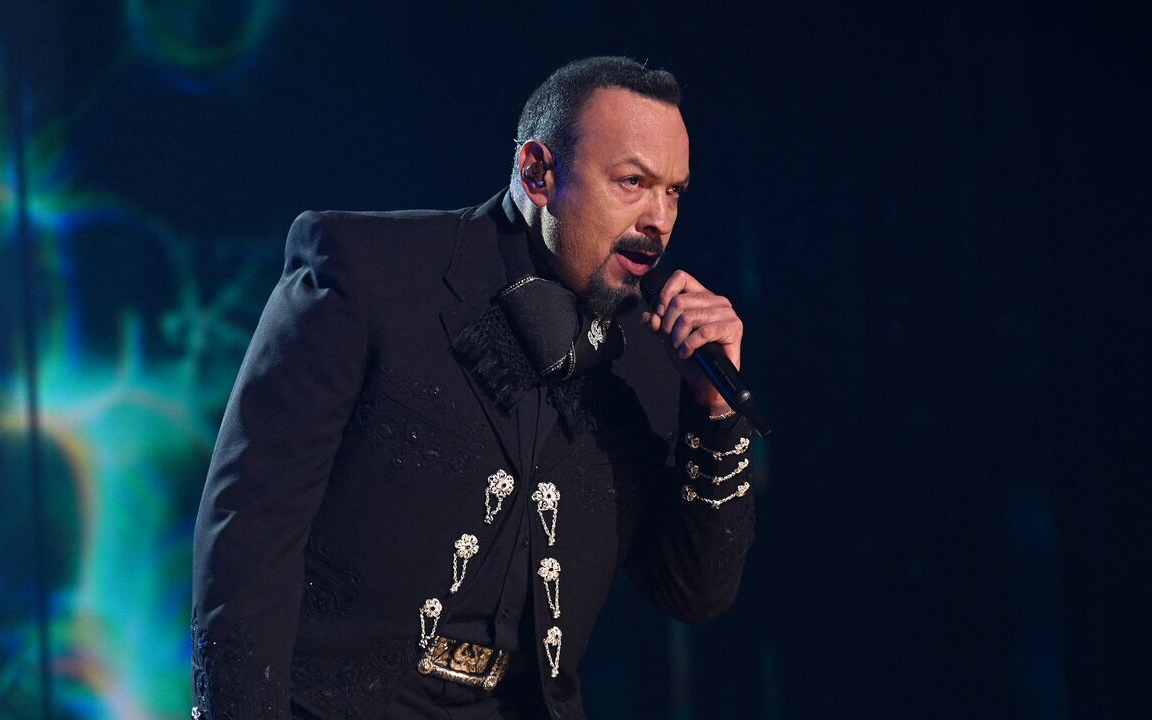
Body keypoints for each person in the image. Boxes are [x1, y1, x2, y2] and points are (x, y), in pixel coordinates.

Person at [191, 56, 757, 720]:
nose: (659, 218)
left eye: (675, 192)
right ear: (537, 173)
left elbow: (694, 592)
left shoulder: (648, 358)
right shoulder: (370, 273)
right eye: (632, 182)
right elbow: (249, 534)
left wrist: (713, 411)